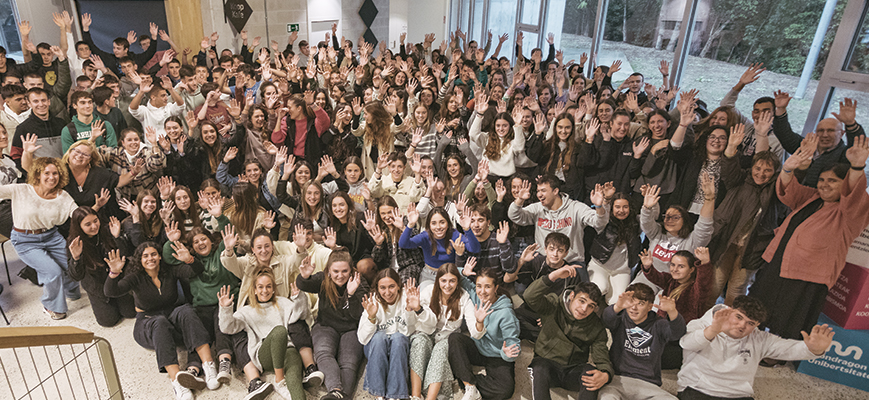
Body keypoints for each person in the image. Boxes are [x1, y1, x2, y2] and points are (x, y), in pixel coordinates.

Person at [748, 137, 869, 346]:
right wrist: (787, 169)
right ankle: (749, 339)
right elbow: (789, 193)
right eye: (822, 180)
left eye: (832, 181)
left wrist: (857, 166)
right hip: (778, 262)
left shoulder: (850, 213)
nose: (824, 185)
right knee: (759, 303)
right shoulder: (812, 198)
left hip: (809, 275)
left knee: (789, 317)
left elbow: (856, 195)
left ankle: (777, 354)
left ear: (845, 185)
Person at [103, 241, 217, 400]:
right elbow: (111, 291)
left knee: (186, 310)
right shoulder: (135, 277)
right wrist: (114, 273)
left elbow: (195, 271)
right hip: (148, 322)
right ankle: (177, 381)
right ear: (140, 260)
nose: (150, 258)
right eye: (145, 256)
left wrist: (189, 259)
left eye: (154, 254)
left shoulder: (169, 271)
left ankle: (209, 367)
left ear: (160, 257)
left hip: (171, 315)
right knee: (160, 323)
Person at [677, 296, 834, 400]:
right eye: (739, 317)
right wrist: (713, 330)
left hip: (738, 394)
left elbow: (789, 348)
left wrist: (813, 349)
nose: (742, 326)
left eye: (750, 323)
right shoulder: (701, 325)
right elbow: (686, 343)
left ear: (757, 325)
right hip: (697, 389)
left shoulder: (760, 338)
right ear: (730, 311)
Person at [0, 156, 78, 319]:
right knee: (52, 271)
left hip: (51, 236)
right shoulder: (21, 189)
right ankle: (52, 307)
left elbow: (77, 214)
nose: (51, 177)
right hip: (25, 240)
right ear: (38, 174)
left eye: (55, 173)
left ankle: (71, 291)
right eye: (47, 173)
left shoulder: (62, 195)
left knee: (70, 263)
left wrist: (95, 210)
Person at [218, 269, 309, 400]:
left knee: (297, 387)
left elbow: (301, 315)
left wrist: (298, 298)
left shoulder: (283, 303)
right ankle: (279, 379)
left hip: (287, 351)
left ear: (273, 289)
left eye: (268, 287)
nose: (264, 291)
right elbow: (227, 328)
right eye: (260, 287)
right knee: (279, 331)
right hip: (264, 355)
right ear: (254, 290)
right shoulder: (246, 311)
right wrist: (225, 308)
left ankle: (286, 385)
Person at [521, 269, 612, 400]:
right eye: (582, 301)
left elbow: (602, 356)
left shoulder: (596, 326)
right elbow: (529, 296)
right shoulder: (554, 304)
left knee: (591, 373)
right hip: (547, 364)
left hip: (572, 370)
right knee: (539, 367)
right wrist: (552, 276)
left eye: (591, 306)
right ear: (572, 296)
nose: (584, 309)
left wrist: (606, 374)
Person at [296, 248, 369, 400]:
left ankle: (340, 396)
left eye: (344, 271)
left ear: (351, 270)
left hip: (351, 328)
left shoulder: (359, 283)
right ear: (329, 270)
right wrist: (304, 276)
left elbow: (357, 314)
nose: (340, 275)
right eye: (335, 271)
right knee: (323, 353)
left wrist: (351, 294)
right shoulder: (323, 279)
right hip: (326, 326)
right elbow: (303, 284)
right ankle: (336, 390)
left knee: (348, 363)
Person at [598, 284, 685, 400]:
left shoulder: (658, 324)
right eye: (631, 302)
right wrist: (618, 306)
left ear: (650, 307)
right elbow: (606, 319)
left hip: (648, 383)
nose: (634, 308)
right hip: (617, 379)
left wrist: (672, 311)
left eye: (641, 304)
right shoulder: (620, 318)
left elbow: (677, 333)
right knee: (606, 397)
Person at [448, 268, 521, 400]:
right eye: (479, 286)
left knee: (505, 390)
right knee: (454, 339)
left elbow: (514, 346)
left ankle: (464, 377)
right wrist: (463, 271)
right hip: (477, 347)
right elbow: (455, 273)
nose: (482, 291)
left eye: (487, 287)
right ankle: (470, 386)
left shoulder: (506, 313)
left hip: (497, 355)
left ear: (496, 288)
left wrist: (506, 353)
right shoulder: (475, 295)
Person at [636, 174, 714, 291]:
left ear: (684, 220)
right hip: (649, 277)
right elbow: (646, 222)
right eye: (667, 217)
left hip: (674, 283)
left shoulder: (692, 241)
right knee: (631, 297)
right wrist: (646, 207)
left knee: (660, 308)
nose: (669, 220)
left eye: (675, 217)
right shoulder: (657, 233)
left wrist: (709, 198)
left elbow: (704, 225)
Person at [508, 175, 609, 264]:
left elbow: (600, 223)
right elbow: (515, 216)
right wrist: (520, 200)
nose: (539, 195)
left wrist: (599, 206)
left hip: (572, 262)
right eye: (538, 191)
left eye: (543, 190)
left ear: (555, 191)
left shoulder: (575, 207)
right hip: (545, 261)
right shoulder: (537, 208)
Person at [507, 232, 590, 341]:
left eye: (560, 251)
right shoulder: (536, 261)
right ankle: (542, 337)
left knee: (569, 329)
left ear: (566, 253)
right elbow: (507, 279)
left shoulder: (570, 271)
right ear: (545, 249)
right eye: (551, 249)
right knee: (511, 317)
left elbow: (571, 304)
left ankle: (541, 337)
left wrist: (551, 318)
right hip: (533, 306)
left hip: (553, 311)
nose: (555, 254)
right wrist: (521, 261)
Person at [410, 263, 475, 400]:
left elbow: (473, 328)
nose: (447, 285)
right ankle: (416, 395)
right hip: (426, 332)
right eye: (443, 280)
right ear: (438, 280)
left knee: (440, 349)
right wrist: (415, 308)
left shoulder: (464, 297)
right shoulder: (429, 291)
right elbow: (413, 313)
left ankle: (430, 398)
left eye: (452, 281)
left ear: (457, 281)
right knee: (419, 343)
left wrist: (479, 323)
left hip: (447, 337)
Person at [67, 206, 135, 327]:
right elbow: (76, 276)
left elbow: (124, 255)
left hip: (116, 280)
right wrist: (76, 258)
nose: (94, 226)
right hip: (97, 286)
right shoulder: (74, 243)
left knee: (130, 312)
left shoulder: (106, 231)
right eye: (88, 224)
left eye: (95, 221)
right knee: (108, 321)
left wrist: (117, 237)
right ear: (79, 227)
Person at [357, 270, 419, 400]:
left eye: (391, 286)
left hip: (399, 346)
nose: (387, 292)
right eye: (383, 288)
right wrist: (371, 317)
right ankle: (379, 394)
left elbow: (408, 332)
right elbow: (363, 339)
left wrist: (408, 311)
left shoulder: (406, 299)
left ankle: (395, 395)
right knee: (380, 337)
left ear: (398, 286)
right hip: (377, 346)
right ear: (377, 289)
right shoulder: (373, 302)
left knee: (398, 338)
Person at [398, 205, 479, 286]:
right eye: (433, 223)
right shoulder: (425, 236)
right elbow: (403, 244)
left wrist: (467, 229)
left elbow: (475, 249)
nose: (438, 227)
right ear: (429, 225)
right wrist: (410, 224)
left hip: (450, 274)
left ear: (448, 223)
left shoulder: (454, 234)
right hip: (429, 275)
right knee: (425, 296)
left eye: (442, 222)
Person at [587, 191, 641, 305]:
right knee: (600, 288)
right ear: (612, 208)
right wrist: (601, 204)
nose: (621, 210)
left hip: (621, 270)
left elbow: (649, 220)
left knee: (616, 302)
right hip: (599, 266)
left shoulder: (635, 223)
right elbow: (601, 217)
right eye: (617, 207)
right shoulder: (605, 222)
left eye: (625, 207)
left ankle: (607, 318)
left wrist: (649, 206)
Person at [457, 204, 515, 280]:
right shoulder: (463, 241)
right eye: (472, 221)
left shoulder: (499, 238)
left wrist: (503, 244)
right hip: (471, 288)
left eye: (480, 220)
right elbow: (458, 274)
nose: (476, 225)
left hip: (496, 287)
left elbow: (510, 269)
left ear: (488, 222)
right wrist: (459, 255)